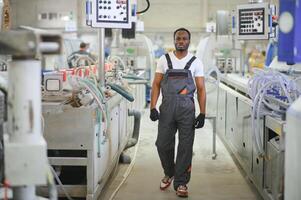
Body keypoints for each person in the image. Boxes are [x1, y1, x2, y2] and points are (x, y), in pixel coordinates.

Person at [150, 28, 206, 198]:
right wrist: (152, 106)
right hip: (167, 108)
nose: (181, 41)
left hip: (187, 109)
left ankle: (181, 183)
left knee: (185, 147)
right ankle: (170, 172)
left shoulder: (196, 62)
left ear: (189, 41)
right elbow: (156, 84)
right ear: (174, 40)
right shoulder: (164, 59)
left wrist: (203, 112)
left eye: (184, 38)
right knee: (162, 144)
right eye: (178, 38)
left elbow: (201, 89)